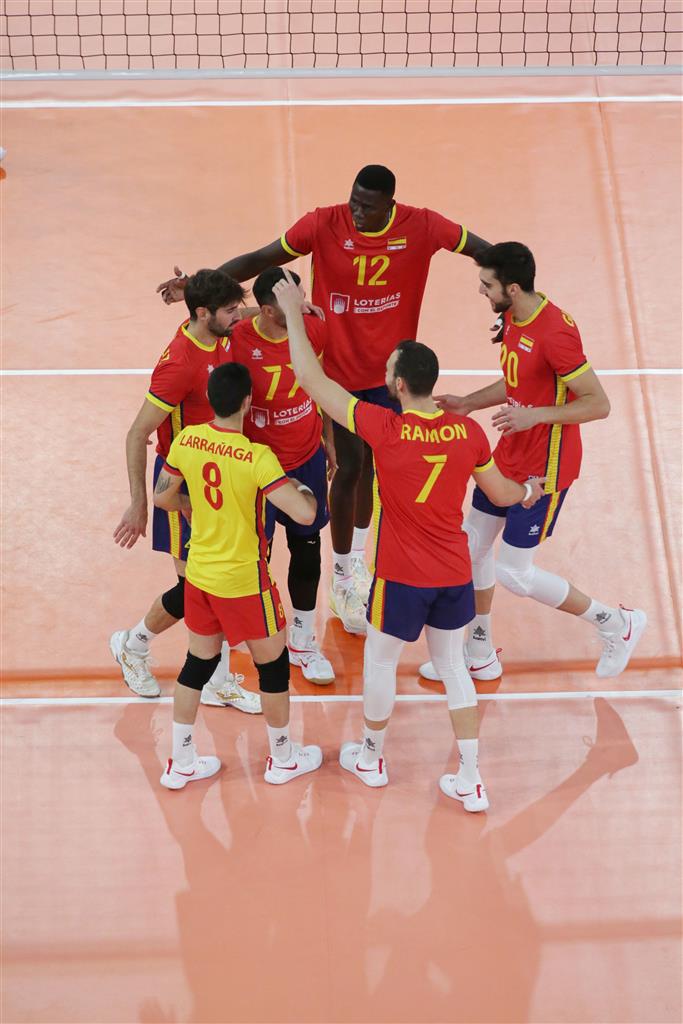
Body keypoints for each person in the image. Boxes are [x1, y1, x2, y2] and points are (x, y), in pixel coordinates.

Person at [156, 164, 491, 635]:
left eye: (367, 206)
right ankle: (342, 575)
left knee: (376, 469)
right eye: (353, 200)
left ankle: (352, 565)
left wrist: (517, 294)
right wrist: (197, 287)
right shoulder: (323, 223)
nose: (355, 211)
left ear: (390, 205)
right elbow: (260, 257)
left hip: (388, 376)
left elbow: (484, 252)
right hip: (336, 374)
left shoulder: (423, 225)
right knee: (350, 467)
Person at [270, 272, 545, 811]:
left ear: (398, 385)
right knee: (453, 668)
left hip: (401, 577)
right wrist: (532, 489)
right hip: (453, 574)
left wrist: (294, 313)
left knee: (380, 663)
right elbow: (503, 493)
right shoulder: (467, 433)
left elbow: (309, 378)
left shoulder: (384, 428)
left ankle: (372, 757)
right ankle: (471, 777)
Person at [419, 242, 646, 685]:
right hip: (509, 454)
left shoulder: (555, 333)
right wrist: (469, 402)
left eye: (487, 284)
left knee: (514, 574)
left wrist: (535, 415)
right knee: (471, 548)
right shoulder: (513, 317)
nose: (481, 291)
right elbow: (519, 380)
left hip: (545, 468)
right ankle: (479, 652)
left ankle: (616, 623)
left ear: (513, 287)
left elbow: (598, 404)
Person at [153, 362, 323, 789]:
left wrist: (190, 507)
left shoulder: (188, 440)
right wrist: (304, 489)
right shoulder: (256, 457)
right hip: (246, 582)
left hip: (200, 576)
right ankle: (283, 757)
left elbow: (162, 497)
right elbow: (305, 514)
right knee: (274, 668)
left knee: (197, 665)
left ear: (210, 399)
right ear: (248, 403)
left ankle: (181, 761)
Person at [111, 269, 261, 714]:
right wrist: (139, 504)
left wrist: (284, 311)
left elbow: (240, 313)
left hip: (220, 475)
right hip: (183, 485)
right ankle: (134, 645)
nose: (238, 317)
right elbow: (137, 433)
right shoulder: (181, 363)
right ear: (203, 314)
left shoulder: (215, 330)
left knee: (214, 583)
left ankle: (209, 676)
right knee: (197, 586)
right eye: (230, 311)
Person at [230, 267, 336, 683]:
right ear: (269, 310)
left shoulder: (314, 329)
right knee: (257, 555)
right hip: (259, 466)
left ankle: (303, 641)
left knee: (307, 550)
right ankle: (257, 631)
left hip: (306, 456)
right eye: (292, 301)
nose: (303, 305)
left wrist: (328, 438)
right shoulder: (238, 340)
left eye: (302, 296)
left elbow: (321, 384)